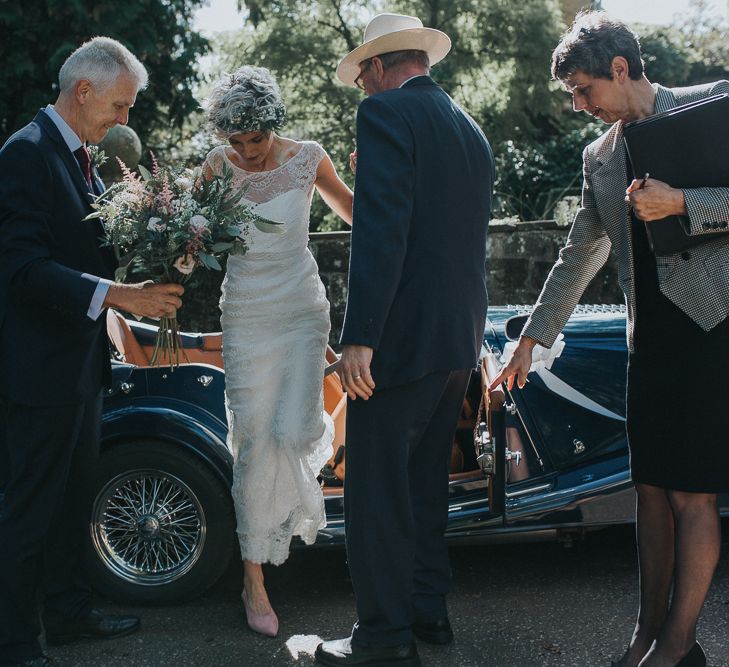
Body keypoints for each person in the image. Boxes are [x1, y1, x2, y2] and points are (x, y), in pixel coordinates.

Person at [490, 11, 729, 667]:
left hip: (712, 330)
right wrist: (530, 341)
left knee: (691, 492)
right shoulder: (598, 156)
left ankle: (679, 645)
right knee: (648, 489)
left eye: (583, 90)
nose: (578, 106)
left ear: (620, 70)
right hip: (647, 335)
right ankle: (644, 636)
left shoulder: (711, 108)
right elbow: (576, 256)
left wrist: (679, 201)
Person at [316, 13, 495, 667]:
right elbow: (439, 227)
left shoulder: (385, 116)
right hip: (455, 340)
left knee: (374, 491)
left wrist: (359, 335)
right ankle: (429, 613)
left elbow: (384, 232)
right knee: (424, 485)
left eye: (362, 73)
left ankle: (383, 637)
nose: (361, 86)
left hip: (399, 339)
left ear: (382, 66)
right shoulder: (468, 129)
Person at [0, 37, 185, 666]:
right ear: (84, 91)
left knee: (73, 499)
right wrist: (119, 294)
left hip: (78, 369)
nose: (124, 119)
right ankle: (16, 642)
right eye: (121, 105)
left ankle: (70, 614)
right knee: (28, 511)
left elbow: (82, 254)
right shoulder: (25, 154)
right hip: (36, 372)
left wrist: (159, 253)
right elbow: (22, 269)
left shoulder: (78, 157)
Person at [202, 66, 353, 638]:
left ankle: (280, 525)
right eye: (236, 143)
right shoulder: (217, 167)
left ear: (273, 126)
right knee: (254, 440)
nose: (246, 152)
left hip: (299, 312)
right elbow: (184, 232)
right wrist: (172, 239)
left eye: (256, 140)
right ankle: (254, 578)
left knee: (294, 433)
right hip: (244, 314)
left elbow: (358, 214)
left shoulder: (309, 157)